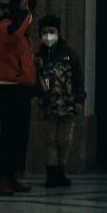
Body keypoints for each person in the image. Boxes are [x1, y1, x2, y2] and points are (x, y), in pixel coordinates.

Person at [0, 0, 38, 195]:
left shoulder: (21, 29)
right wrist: (24, 15)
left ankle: (12, 176)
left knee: (20, 134)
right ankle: (2, 176)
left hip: (21, 86)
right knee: (9, 134)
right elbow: (12, 37)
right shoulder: (4, 25)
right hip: (7, 86)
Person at [35, 14, 86, 188]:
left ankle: (61, 171)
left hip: (67, 104)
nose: (48, 35)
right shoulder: (39, 56)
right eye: (45, 32)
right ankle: (51, 172)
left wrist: (79, 100)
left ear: (59, 32)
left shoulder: (69, 54)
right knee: (50, 139)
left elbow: (78, 79)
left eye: (52, 31)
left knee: (65, 139)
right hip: (48, 105)